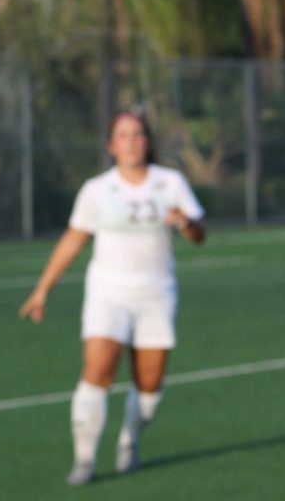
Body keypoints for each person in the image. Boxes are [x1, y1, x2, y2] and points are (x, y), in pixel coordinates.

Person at [19, 112, 206, 486]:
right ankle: (84, 459)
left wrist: (185, 223)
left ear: (147, 142)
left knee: (150, 386)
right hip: (108, 292)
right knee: (96, 374)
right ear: (111, 145)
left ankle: (129, 440)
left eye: (138, 135)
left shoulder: (170, 182)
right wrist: (43, 289)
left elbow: (199, 234)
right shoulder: (96, 189)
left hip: (156, 293)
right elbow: (74, 239)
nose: (131, 142)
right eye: (123, 135)